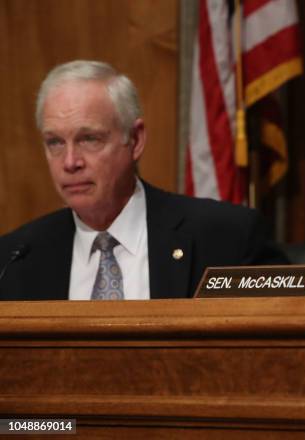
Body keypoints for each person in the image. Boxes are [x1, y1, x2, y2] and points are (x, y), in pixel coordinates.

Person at [0, 60, 287, 301]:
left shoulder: (226, 238)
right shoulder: (14, 259)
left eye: (89, 139)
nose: (70, 162)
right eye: (55, 142)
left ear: (135, 140)